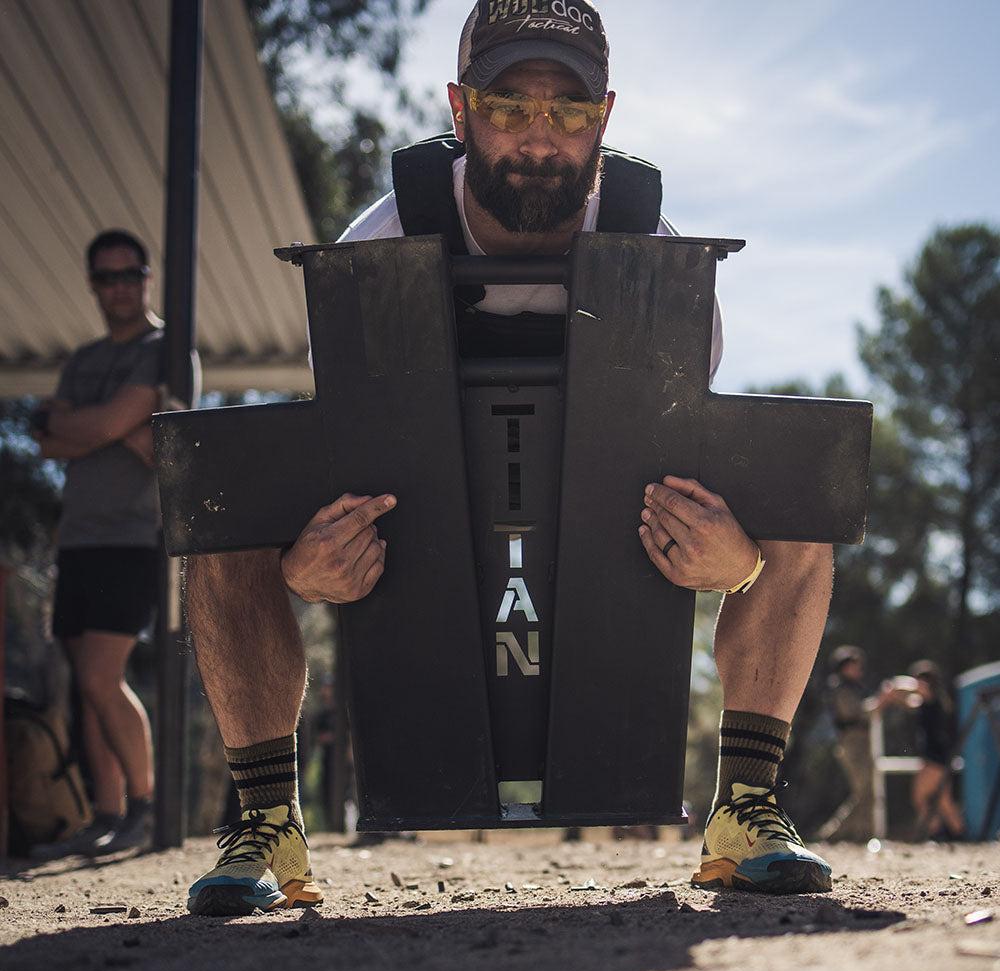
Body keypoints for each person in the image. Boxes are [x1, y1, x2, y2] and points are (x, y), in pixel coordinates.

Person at [184, 0, 835, 916]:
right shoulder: (375, 254)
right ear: (460, 109)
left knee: (806, 486)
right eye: (508, 105)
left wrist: (741, 564)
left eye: (569, 111)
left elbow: (691, 467)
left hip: (607, 543)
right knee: (218, 496)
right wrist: (297, 569)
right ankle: (266, 823)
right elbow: (334, 464)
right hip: (418, 542)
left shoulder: (662, 268)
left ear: (604, 120)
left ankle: (746, 809)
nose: (540, 135)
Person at [30, 229, 165, 858]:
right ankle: (106, 817)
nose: (120, 287)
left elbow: (89, 425)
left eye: (129, 274)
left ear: (147, 278)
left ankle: (145, 809)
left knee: (100, 677)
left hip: (132, 539)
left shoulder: (164, 348)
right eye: (107, 278)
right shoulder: (82, 359)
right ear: (92, 285)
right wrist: (114, 428)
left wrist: (86, 425)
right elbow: (45, 442)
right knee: (86, 689)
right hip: (77, 541)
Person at [817, 645, 892, 842]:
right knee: (863, 792)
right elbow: (858, 713)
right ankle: (833, 834)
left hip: (860, 744)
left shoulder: (853, 687)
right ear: (844, 667)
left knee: (867, 793)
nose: (859, 669)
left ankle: (862, 835)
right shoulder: (841, 690)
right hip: (852, 745)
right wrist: (882, 699)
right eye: (854, 665)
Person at [906, 660, 965, 841]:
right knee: (944, 801)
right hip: (942, 757)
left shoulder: (932, 698)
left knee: (919, 797)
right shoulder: (935, 701)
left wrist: (895, 686)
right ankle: (960, 834)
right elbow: (909, 702)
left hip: (934, 758)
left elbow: (916, 691)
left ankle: (934, 833)